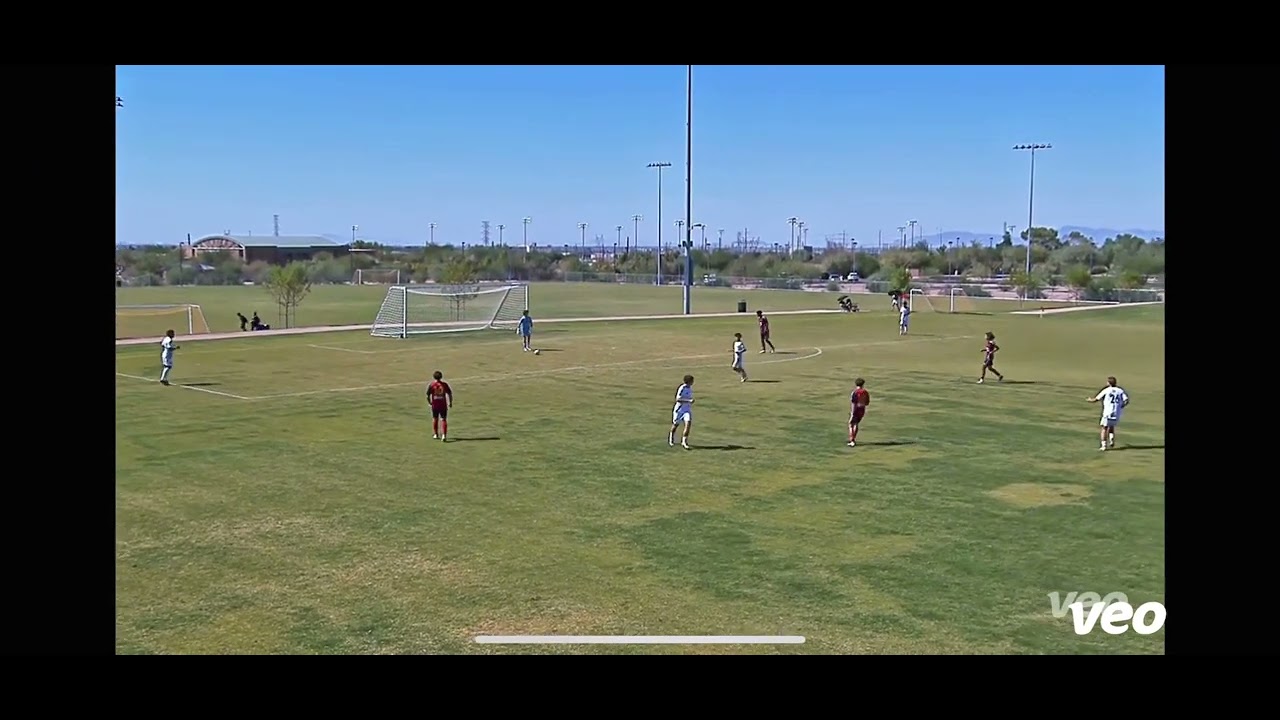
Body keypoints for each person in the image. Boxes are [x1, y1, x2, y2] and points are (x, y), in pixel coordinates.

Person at [1086, 376, 1130, 450]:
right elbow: (1126, 400)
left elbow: (1096, 399)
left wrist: (1089, 400)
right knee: (1111, 426)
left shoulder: (1106, 390)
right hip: (1116, 412)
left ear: (1108, 383)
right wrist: (1121, 406)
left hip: (1107, 412)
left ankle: (1103, 446)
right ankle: (1111, 439)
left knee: (1104, 428)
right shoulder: (1120, 390)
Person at [426, 370, 454, 441]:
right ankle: (444, 435)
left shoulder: (432, 385)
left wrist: (429, 402)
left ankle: (435, 434)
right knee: (443, 419)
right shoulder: (444, 385)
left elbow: (428, 395)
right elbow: (449, 393)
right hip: (443, 405)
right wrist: (450, 402)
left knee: (435, 419)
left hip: (435, 405)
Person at [669, 374, 695, 449]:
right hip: (679, 409)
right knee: (675, 425)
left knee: (688, 424)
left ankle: (684, 442)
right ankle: (671, 438)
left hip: (687, 410)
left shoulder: (690, 388)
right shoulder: (682, 388)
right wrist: (688, 401)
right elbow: (677, 399)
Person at [848, 378, 870, 447]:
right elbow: (867, 402)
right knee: (856, 423)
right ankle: (853, 439)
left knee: (851, 424)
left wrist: (852, 413)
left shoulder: (855, 392)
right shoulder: (865, 392)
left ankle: (852, 440)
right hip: (862, 409)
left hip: (856, 409)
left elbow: (853, 403)